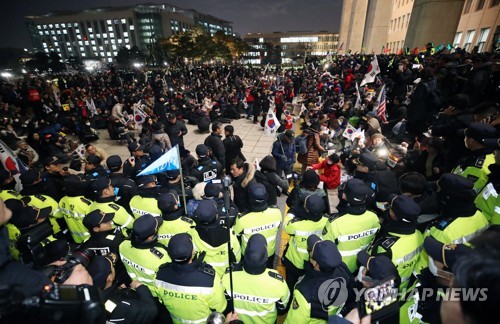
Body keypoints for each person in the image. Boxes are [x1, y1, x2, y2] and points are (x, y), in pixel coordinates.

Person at [417, 174, 489, 270]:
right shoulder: (480, 215)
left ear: (447, 198)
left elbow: (424, 267)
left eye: (438, 189)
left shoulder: (443, 232)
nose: (436, 192)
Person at [154, 233, 227, 323]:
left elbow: (161, 300)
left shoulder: (160, 274)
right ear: (193, 252)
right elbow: (220, 307)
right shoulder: (209, 278)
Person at [285, 235, 354, 323]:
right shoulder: (343, 270)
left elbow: (294, 321)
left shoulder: (305, 294)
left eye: (311, 252)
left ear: (315, 263)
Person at [222, 234, 290, 324]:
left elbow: (225, 303)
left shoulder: (228, 277)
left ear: (245, 254)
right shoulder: (278, 283)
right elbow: (282, 309)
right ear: (266, 257)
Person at [322, 178, 380, 272]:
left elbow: (325, 249)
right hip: (362, 265)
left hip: (340, 268)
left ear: (344, 196)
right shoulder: (374, 218)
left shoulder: (335, 223)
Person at [369, 194, 423, 291]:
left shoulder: (386, 247)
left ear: (393, 215)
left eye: (390, 208)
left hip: (386, 292)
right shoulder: (419, 235)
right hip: (406, 288)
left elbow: (373, 270)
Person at [87, 256, 158, 323]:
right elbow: (151, 311)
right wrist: (140, 287)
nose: (113, 266)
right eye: (112, 267)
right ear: (109, 278)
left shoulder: (87, 293)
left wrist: (119, 290)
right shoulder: (122, 306)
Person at [282, 194, 329, 292]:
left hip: (295, 262)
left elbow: (285, 226)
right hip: (314, 263)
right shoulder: (327, 222)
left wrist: (293, 211)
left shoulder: (296, 225)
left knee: (290, 283)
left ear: (306, 209)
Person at [233, 183, 282, 267]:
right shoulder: (277, 212)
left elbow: (236, 235)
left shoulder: (242, 219)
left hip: (249, 256)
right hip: (269, 253)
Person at [190, 200, 241, 277]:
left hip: (203, 278)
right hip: (226, 277)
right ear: (217, 215)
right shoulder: (229, 234)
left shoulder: (191, 235)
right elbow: (237, 259)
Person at [119, 214, 170, 291]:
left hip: (134, 287)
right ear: (150, 237)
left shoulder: (123, 245)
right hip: (154, 293)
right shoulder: (162, 257)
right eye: (157, 228)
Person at [452, 123, 496, 193]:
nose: (464, 139)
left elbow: (464, 192)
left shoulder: (479, 167)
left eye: (466, 137)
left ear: (471, 140)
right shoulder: (492, 156)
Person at [56, 175, 92, 244]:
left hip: (75, 238)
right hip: (89, 239)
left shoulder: (62, 200)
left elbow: (59, 215)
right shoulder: (86, 203)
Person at [475, 146, 500, 224]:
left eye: (497, 150)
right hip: (477, 222)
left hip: (485, 231)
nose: (494, 153)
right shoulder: (495, 174)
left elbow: (496, 227)